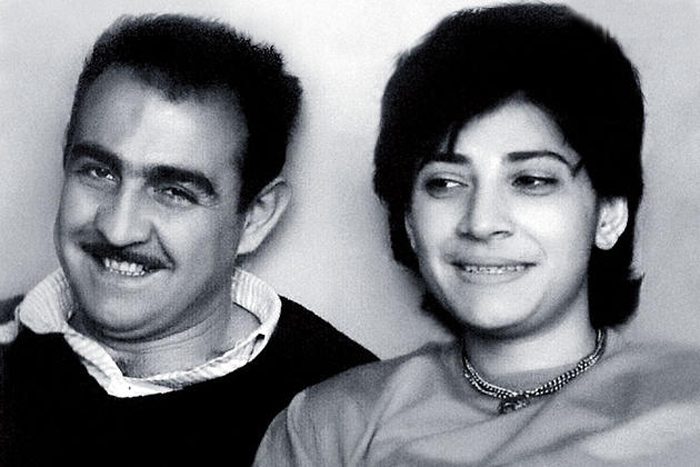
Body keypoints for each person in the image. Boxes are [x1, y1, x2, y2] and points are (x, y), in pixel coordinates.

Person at [254, 4, 700, 465]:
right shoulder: (331, 424)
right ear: (409, 221)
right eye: (446, 183)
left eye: (531, 180)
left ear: (608, 216)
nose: (481, 222)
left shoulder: (687, 410)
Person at [0, 14, 376, 466]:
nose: (119, 229)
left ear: (256, 217)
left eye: (174, 191)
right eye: (99, 172)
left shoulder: (358, 414)